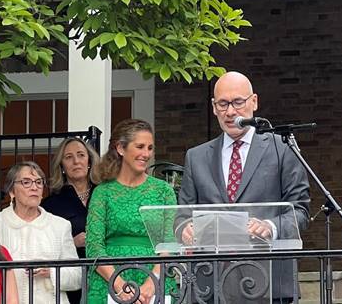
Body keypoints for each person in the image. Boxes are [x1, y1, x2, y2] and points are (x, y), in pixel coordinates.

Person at [177, 71, 311, 303]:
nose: (230, 112)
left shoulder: (282, 148)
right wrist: (185, 229)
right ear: (213, 106)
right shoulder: (196, 157)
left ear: (254, 101)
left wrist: (270, 226)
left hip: (268, 280)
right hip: (210, 282)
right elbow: (181, 216)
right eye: (223, 104)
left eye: (238, 102)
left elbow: (300, 211)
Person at [85, 119, 177, 304]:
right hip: (109, 279)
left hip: (155, 277)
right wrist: (120, 285)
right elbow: (94, 246)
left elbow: (170, 243)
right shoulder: (103, 192)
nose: (146, 154)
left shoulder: (163, 191)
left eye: (150, 148)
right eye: (140, 146)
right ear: (120, 148)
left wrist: (152, 282)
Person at [0, 161, 82, 304]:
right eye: (26, 182)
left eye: (39, 182)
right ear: (11, 191)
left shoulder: (60, 226)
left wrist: (51, 271)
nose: (34, 187)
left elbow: (77, 276)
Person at [42, 138, 100, 304]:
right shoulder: (51, 204)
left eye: (81, 155)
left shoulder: (104, 194)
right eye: (68, 157)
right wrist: (71, 242)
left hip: (106, 272)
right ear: (62, 166)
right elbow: (44, 247)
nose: (76, 161)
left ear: (89, 160)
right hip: (71, 278)